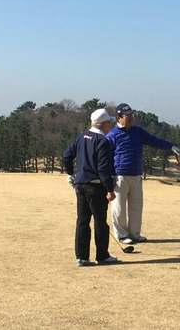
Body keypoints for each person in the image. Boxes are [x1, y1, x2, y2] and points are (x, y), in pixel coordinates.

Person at [106, 103, 180, 244]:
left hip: (136, 174)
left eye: (131, 115)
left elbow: (154, 141)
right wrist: (110, 176)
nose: (130, 118)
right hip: (119, 175)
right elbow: (108, 158)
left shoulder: (138, 131)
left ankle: (134, 234)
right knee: (119, 208)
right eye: (127, 116)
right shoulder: (112, 135)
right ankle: (122, 235)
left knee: (136, 206)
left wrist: (170, 146)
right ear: (119, 118)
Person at [63, 108, 119, 266]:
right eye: (109, 123)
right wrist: (109, 189)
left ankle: (82, 257)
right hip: (96, 187)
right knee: (100, 222)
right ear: (103, 124)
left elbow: (67, 156)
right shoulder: (103, 141)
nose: (110, 126)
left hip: (80, 185)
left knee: (83, 221)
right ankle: (102, 256)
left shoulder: (81, 137)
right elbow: (103, 168)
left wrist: (70, 174)